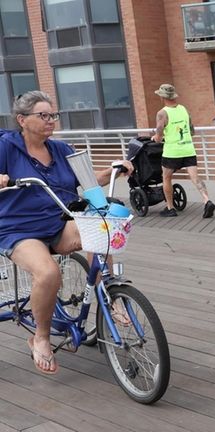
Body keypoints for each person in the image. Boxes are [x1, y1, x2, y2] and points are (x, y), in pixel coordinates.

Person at [0, 90, 134, 375]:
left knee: (103, 230)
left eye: (53, 115)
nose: (51, 121)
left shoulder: (61, 148)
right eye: (43, 115)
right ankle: (41, 338)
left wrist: (114, 170)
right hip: (18, 228)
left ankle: (109, 297)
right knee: (48, 274)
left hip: (58, 221)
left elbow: (88, 180)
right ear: (22, 120)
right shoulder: (5, 147)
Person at [150, 83, 215, 218]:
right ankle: (207, 200)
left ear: (162, 97)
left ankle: (170, 208)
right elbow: (192, 131)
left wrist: (155, 137)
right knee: (195, 177)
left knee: (166, 178)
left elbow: (158, 136)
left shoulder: (162, 113)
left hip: (172, 151)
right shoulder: (184, 109)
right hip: (188, 149)